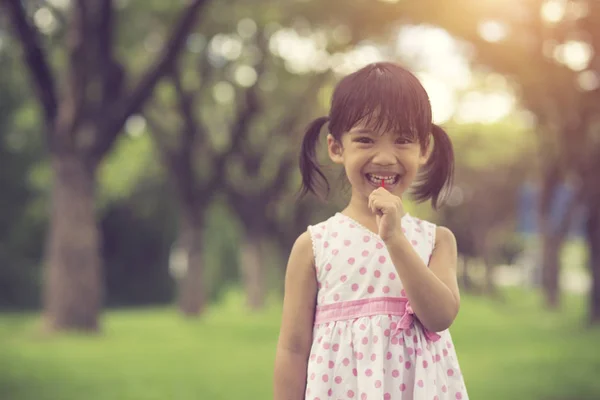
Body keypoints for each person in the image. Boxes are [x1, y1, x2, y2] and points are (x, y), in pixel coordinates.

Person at [273, 62, 469, 400]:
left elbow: (440, 316)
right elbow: (292, 349)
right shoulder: (314, 245)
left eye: (403, 140)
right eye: (365, 139)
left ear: (424, 149)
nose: (384, 157)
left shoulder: (437, 241)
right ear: (337, 148)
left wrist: (394, 238)